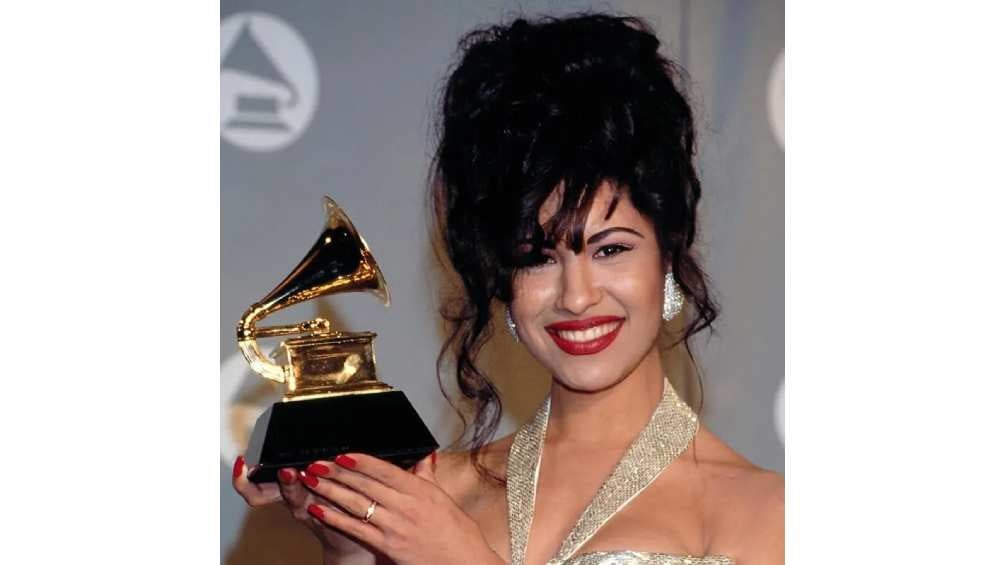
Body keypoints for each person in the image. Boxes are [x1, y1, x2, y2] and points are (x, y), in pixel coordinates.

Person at [233, 12, 783, 564]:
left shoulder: (766, 514)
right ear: (500, 276)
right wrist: (352, 549)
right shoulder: (432, 499)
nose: (576, 296)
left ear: (670, 252)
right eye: (537, 259)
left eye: (610, 249)